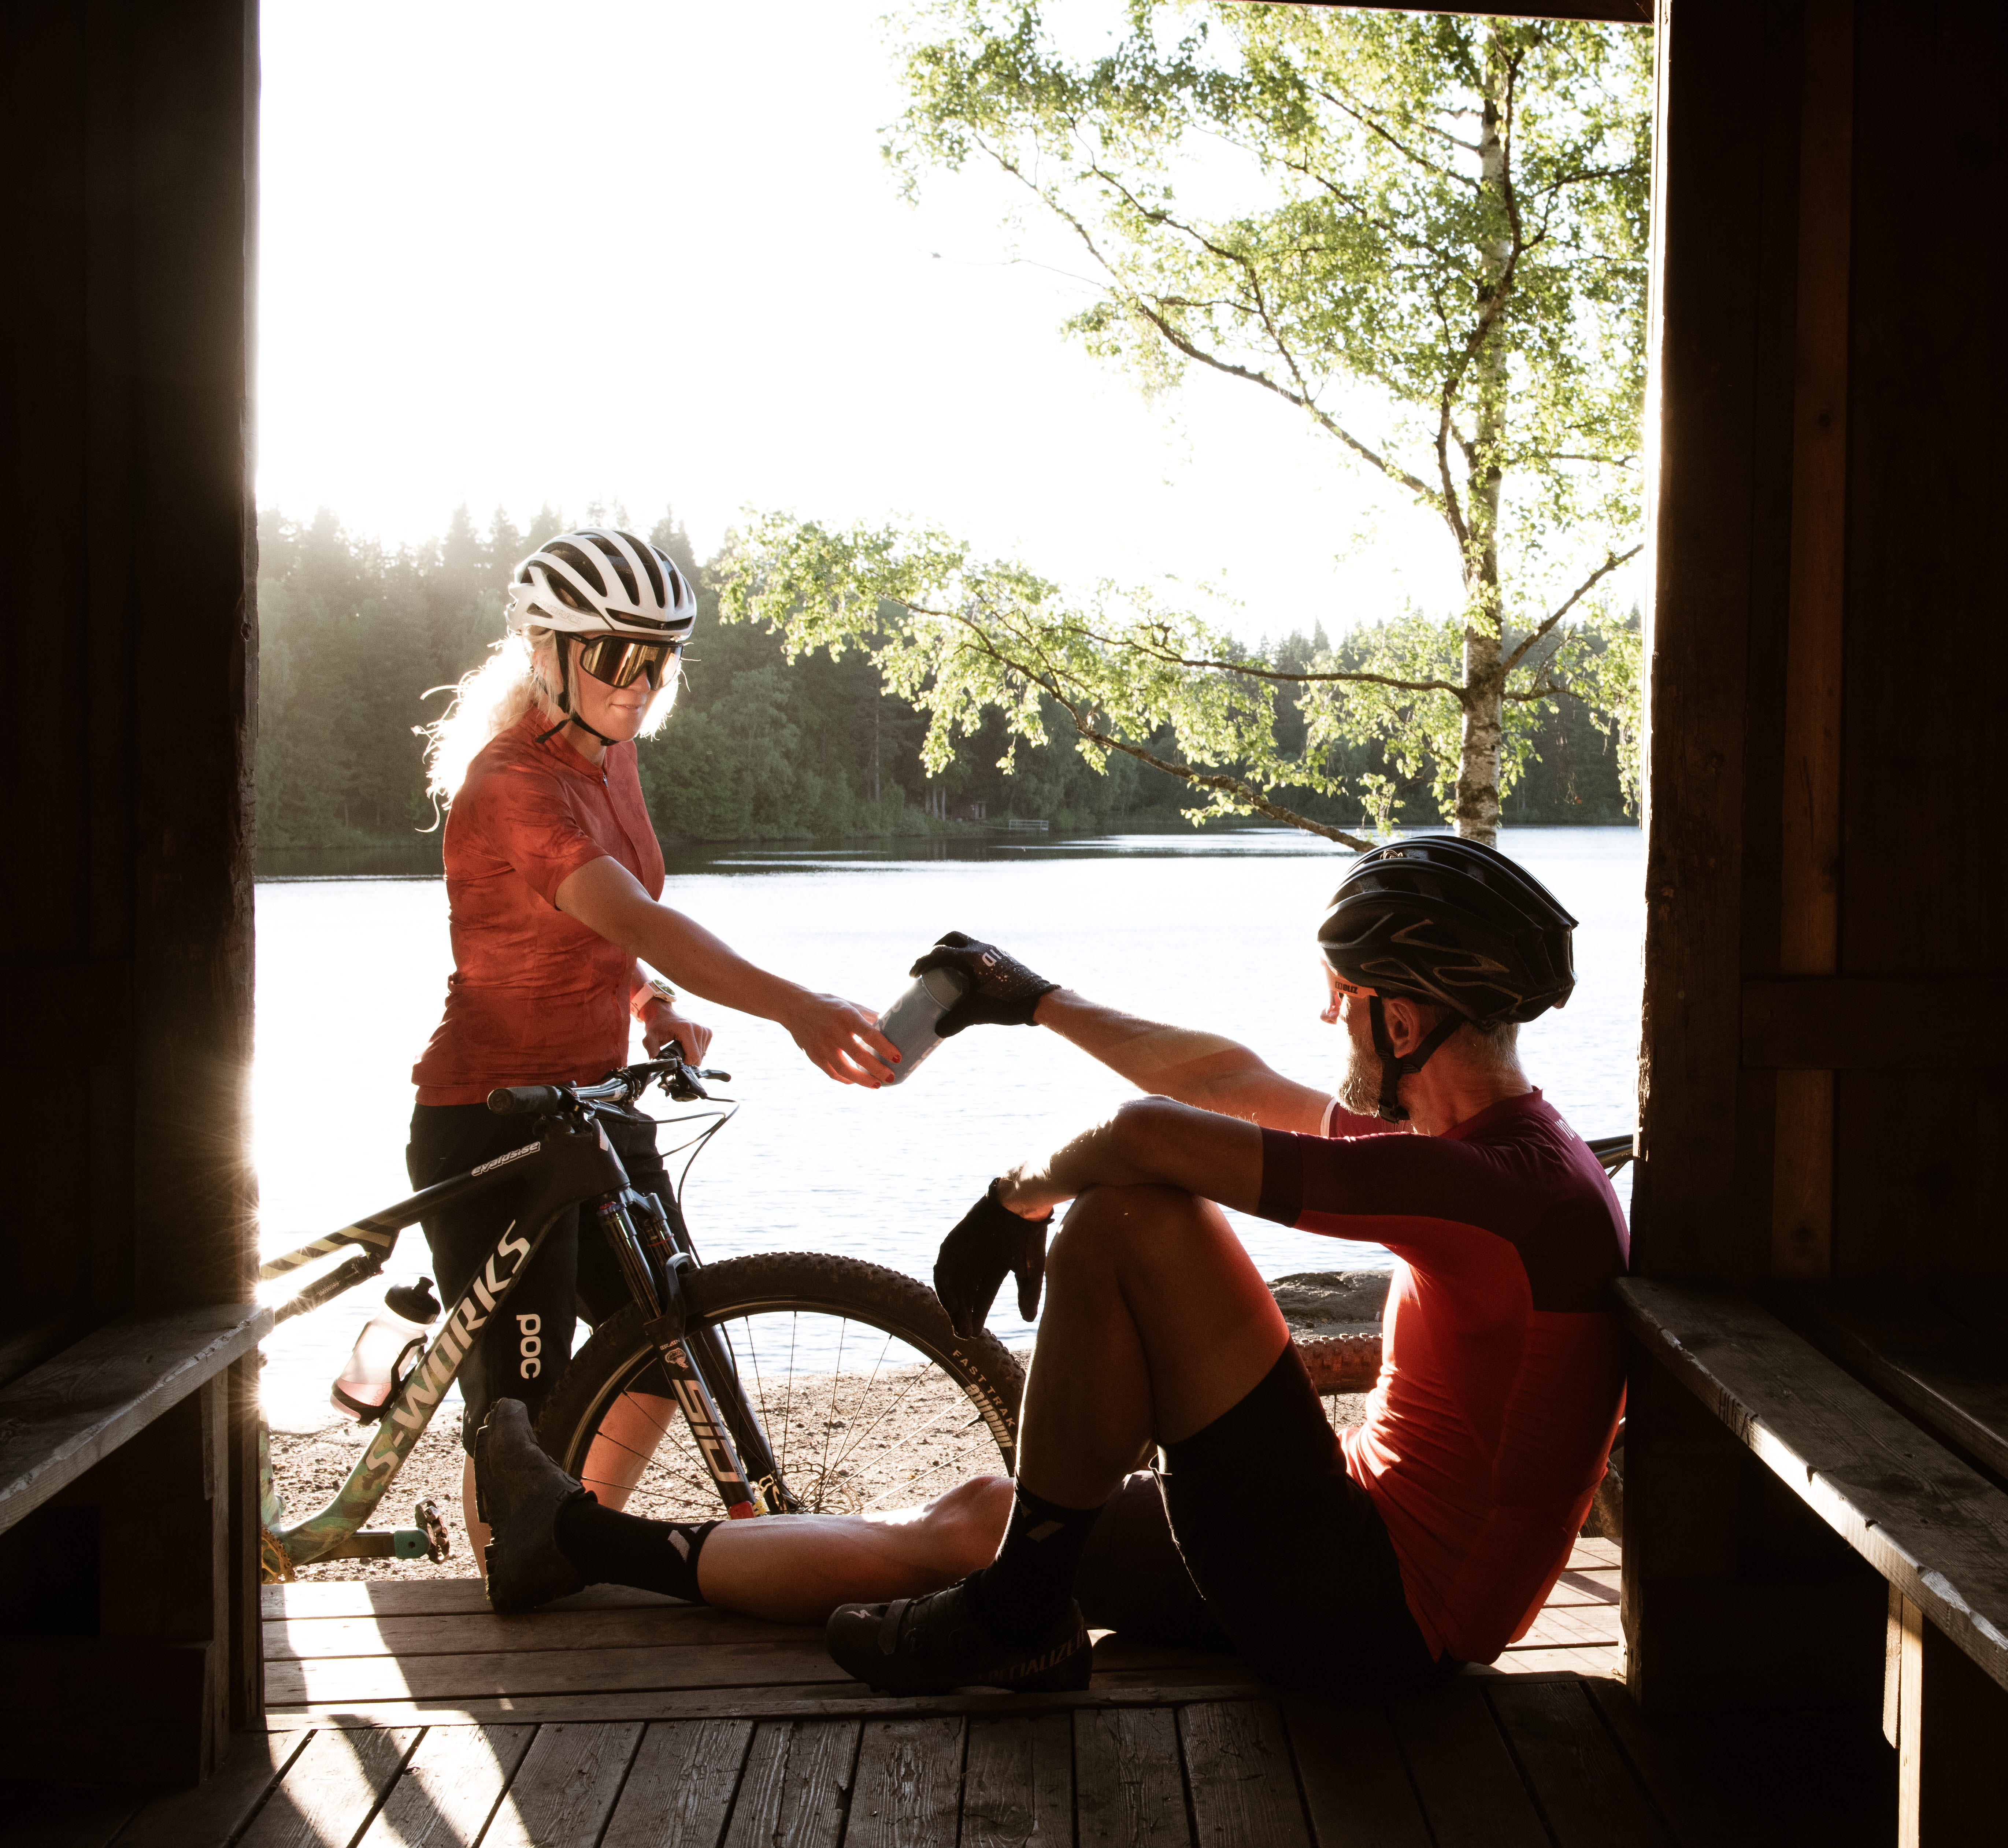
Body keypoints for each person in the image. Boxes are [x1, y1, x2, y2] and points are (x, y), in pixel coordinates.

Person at [473, 836, 1628, 1700]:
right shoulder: (1488, 1156)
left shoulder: (1484, 1192)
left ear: (1401, 1017)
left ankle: (1020, 1609)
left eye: (1340, 1003)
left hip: (1372, 1620)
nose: (1324, 1018)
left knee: (1127, 1216)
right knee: (984, 1511)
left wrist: (1011, 1200)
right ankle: (574, 1540)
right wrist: (1028, 1000)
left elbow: (1139, 1136)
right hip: (1340, 1554)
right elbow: (1222, 1080)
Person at [410, 527, 898, 1565]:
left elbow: (610, 932)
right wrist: (795, 1006)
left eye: (660, 658)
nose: (641, 682)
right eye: (615, 656)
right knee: (523, 1399)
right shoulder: (511, 785)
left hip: (596, 1108)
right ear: (547, 652)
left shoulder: (610, 759)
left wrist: (653, 1004)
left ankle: (572, 1541)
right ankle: (517, 1553)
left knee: (669, 1342)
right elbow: (633, 914)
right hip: (491, 1118)